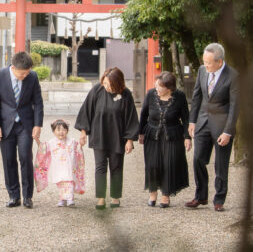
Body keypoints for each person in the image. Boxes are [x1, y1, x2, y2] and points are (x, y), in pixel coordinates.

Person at [75, 67, 139, 209]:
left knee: (116, 167)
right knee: (100, 167)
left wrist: (129, 140)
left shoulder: (125, 94)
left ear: (118, 83)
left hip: (118, 135)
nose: (107, 87)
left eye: (109, 85)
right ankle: (101, 198)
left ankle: (115, 197)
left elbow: (131, 117)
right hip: (99, 134)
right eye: (105, 84)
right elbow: (87, 110)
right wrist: (83, 132)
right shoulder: (97, 90)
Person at [185, 43, 239, 212]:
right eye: (204, 61)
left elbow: (234, 106)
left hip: (222, 125)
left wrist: (228, 131)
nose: (205, 65)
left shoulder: (233, 76)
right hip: (202, 122)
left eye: (208, 62)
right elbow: (197, 96)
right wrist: (192, 121)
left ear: (219, 61)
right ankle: (201, 196)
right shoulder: (202, 71)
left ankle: (219, 199)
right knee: (198, 159)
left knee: (221, 164)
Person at [0, 52, 44, 209]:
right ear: (13, 68)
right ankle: (14, 196)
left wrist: (38, 124)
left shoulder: (32, 77)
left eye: (27, 72)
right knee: (8, 160)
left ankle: (27, 196)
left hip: (25, 125)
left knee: (25, 158)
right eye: (22, 73)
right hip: (6, 124)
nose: (25, 75)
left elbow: (38, 102)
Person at [138, 71, 191, 208]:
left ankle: (166, 195)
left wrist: (187, 137)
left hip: (173, 135)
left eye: (160, 87)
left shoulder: (179, 96)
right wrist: (141, 133)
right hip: (153, 133)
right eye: (156, 86)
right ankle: (153, 193)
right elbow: (143, 114)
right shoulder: (150, 94)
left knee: (169, 164)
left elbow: (186, 118)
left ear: (169, 88)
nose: (157, 89)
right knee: (152, 164)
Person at [34, 119, 85, 207]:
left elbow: (78, 148)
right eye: (58, 129)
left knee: (69, 182)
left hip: (69, 167)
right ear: (54, 131)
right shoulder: (51, 142)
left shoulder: (72, 141)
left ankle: (70, 199)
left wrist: (81, 144)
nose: (61, 132)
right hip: (58, 167)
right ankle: (62, 198)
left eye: (63, 130)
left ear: (67, 131)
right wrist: (36, 139)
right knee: (61, 183)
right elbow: (42, 148)